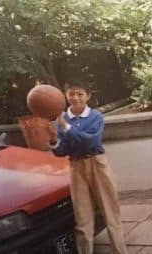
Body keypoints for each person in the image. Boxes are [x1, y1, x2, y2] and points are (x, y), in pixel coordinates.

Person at [49, 79, 128, 254]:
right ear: (65, 95)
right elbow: (62, 151)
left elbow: (91, 141)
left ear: (88, 96)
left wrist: (66, 128)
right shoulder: (61, 120)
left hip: (97, 164)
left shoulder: (95, 117)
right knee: (82, 220)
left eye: (80, 94)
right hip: (76, 166)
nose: (76, 98)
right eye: (71, 94)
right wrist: (54, 141)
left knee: (110, 213)